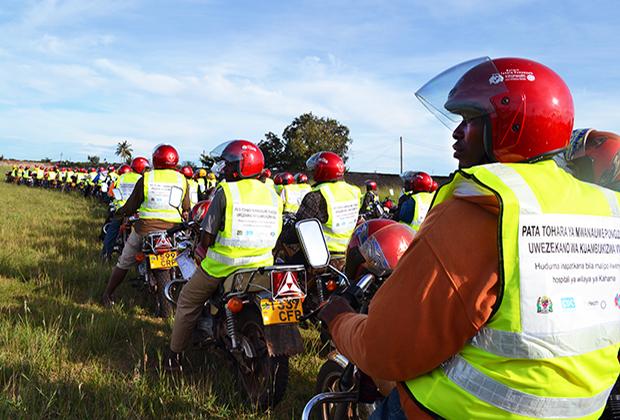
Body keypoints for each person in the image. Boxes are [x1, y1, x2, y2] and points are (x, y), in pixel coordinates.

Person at [318, 57, 620, 419]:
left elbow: (387, 348)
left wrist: (339, 320)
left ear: (511, 124)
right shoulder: (604, 207)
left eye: (468, 121)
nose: (456, 133)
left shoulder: (484, 202)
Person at [167, 139, 282, 369]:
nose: (226, 169)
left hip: (224, 266)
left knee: (187, 300)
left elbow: (208, 237)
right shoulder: (272, 194)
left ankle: (174, 357)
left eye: (230, 164)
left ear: (244, 166)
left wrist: (203, 243)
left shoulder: (227, 191)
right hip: (261, 267)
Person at [101, 145, 189, 306]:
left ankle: (108, 295)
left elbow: (132, 205)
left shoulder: (147, 178)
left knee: (124, 261)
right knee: (186, 260)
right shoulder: (181, 179)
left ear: (155, 159)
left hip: (145, 229)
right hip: (173, 231)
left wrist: (120, 213)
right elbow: (187, 207)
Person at [281, 151, 361, 264]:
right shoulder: (354, 191)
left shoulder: (317, 195)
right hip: (347, 251)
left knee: (288, 268)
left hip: (321, 254)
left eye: (314, 169)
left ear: (321, 171)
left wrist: (283, 236)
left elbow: (298, 231)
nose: (312, 172)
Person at [101, 158, 149, 260]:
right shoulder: (143, 179)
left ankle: (106, 254)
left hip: (121, 209)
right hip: (136, 211)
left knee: (112, 231)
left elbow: (112, 191)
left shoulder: (121, 177)